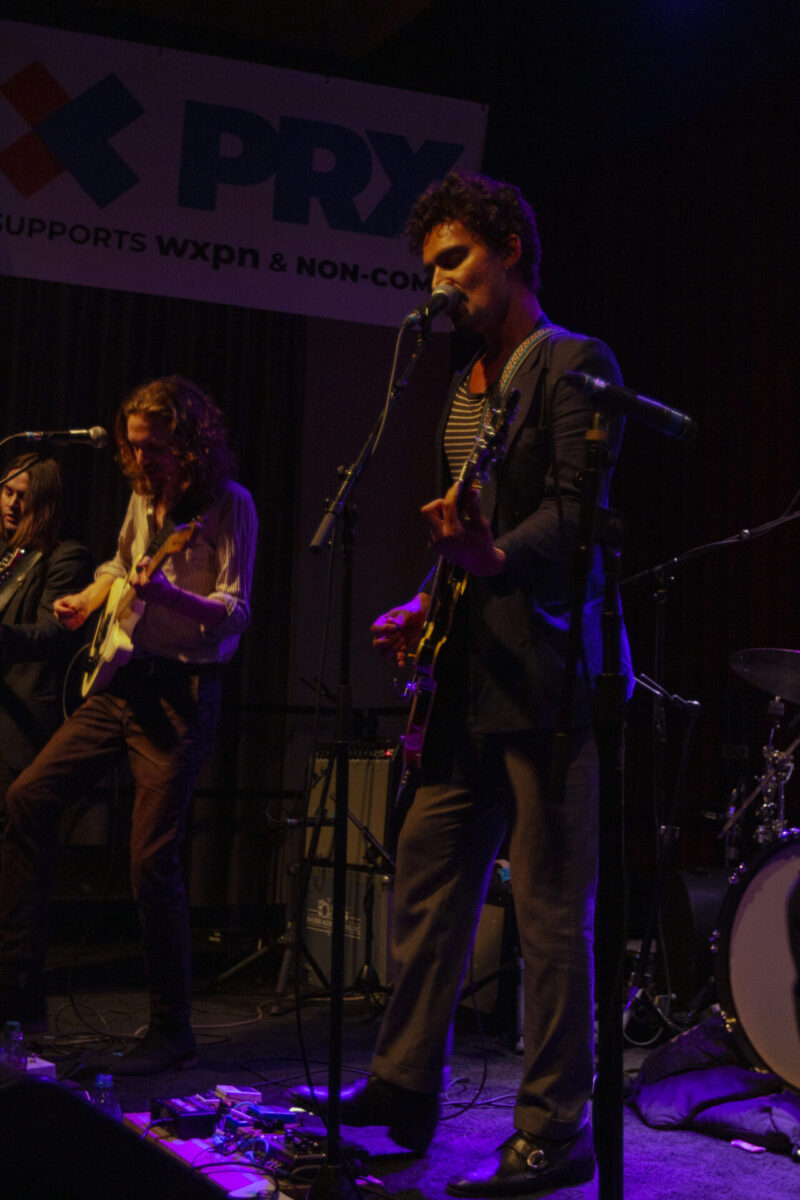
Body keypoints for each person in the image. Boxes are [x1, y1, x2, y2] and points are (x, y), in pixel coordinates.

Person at [291, 172, 632, 1197]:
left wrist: (491, 562)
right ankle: (403, 1086)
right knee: (427, 873)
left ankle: (555, 1130)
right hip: (466, 679)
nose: (438, 283)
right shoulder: (466, 385)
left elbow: (574, 516)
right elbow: (466, 529)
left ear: (509, 249)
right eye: (429, 268)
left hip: (550, 679)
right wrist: (425, 598)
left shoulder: (573, 363)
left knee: (547, 913)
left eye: (454, 260)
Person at [0, 377, 258, 1073]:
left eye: (155, 448)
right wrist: (88, 598)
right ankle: (19, 994)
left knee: (151, 861)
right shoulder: (145, 498)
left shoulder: (230, 505)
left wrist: (171, 595)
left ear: (191, 442)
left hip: (183, 694)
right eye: (134, 447)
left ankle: (172, 1029)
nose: (141, 460)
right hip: (123, 683)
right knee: (28, 798)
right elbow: (120, 562)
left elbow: (235, 610)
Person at [0, 454, 94, 819]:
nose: (12, 503)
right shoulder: (5, 551)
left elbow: (53, 632)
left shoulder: (66, 557)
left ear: (45, 503)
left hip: (21, 724)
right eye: (7, 492)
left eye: (23, 496)